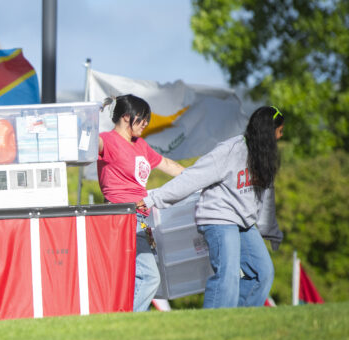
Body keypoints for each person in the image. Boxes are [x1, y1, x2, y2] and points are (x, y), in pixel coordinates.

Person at [139, 106, 285, 308]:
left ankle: (240, 321)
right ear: (268, 131)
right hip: (219, 218)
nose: (281, 136)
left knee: (263, 272)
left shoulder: (262, 157)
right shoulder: (230, 151)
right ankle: (216, 320)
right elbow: (193, 177)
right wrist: (153, 198)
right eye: (279, 131)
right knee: (228, 274)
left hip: (244, 222)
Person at [97, 94, 185, 312]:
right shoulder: (106, 140)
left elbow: (167, 164)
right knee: (149, 277)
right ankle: (129, 322)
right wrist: (89, 117)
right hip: (121, 215)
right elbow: (87, 145)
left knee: (137, 277)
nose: (146, 123)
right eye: (142, 118)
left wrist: (199, 177)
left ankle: (134, 321)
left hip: (141, 218)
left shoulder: (140, 145)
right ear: (126, 116)